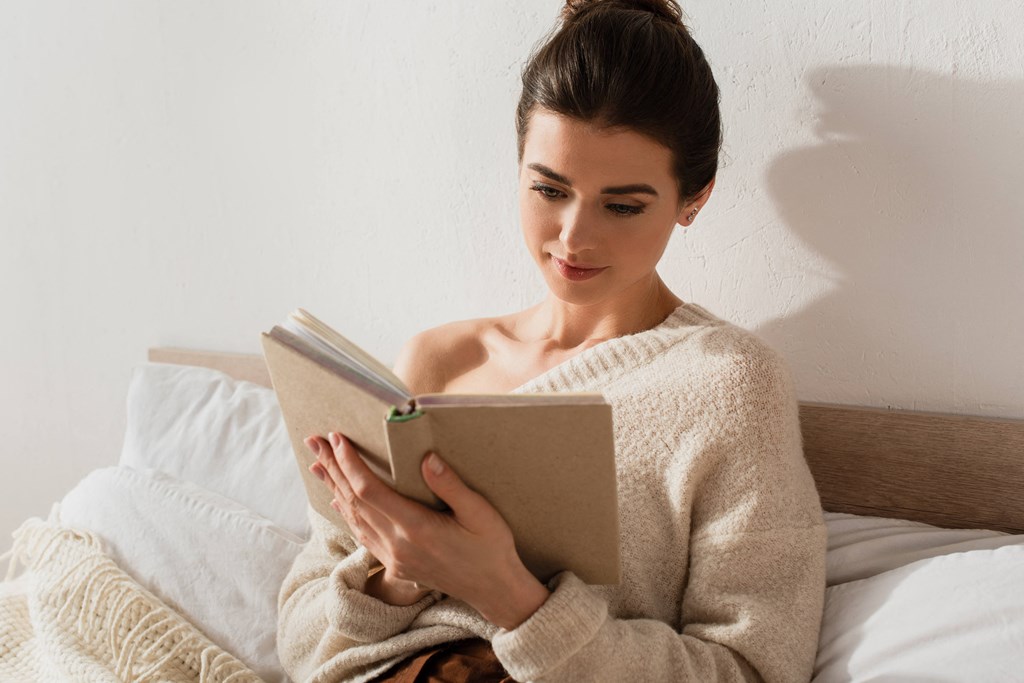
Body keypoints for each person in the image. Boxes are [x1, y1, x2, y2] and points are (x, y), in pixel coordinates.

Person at [277, 1, 827, 681]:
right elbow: (301, 641)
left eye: (622, 205)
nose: (572, 236)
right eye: (548, 188)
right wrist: (400, 576)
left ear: (695, 198)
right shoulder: (433, 363)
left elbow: (753, 669)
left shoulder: (732, 385)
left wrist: (510, 597)